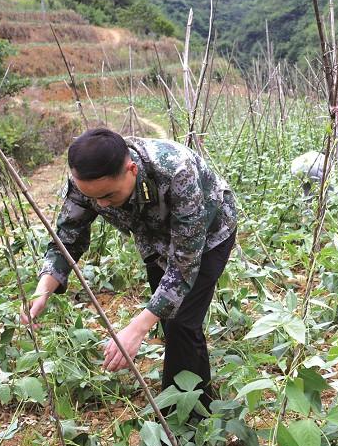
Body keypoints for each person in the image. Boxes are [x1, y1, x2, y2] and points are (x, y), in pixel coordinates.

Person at [21, 128, 237, 412]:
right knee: (169, 319)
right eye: (93, 199)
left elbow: (184, 265)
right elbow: (68, 237)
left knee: (183, 322)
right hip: (155, 240)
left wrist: (136, 329)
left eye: (108, 196)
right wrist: (43, 289)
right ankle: (189, 398)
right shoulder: (87, 182)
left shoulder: (177, 171)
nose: (100, 205)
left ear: (131, 170)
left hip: (208, 236)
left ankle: (187, 421)